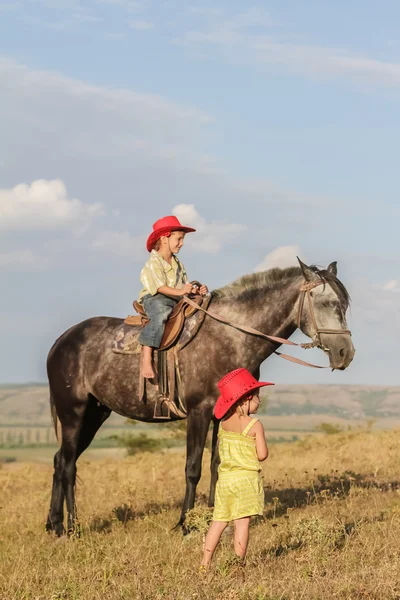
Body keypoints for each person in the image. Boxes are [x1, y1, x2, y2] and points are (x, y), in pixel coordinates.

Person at [200, 368, 274, 571]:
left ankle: (205, 564)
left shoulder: (222, 424)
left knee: (218, 522)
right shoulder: (255, 424)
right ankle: (237, 566)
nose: (259, 401)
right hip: (246, 480)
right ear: (247, 399)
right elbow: (262, 454)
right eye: (257, 397)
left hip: (224, 481)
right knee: (241, 525)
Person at [138, 215, 208, 379]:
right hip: (155, 298)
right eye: (179, 239)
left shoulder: (178, 263)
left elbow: (183, 285)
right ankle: (146, 356)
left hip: (176, 299)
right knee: (160, 314)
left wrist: (195, 291)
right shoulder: (154, 262)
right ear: (164, 239)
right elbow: (159, 287)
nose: (182, 243)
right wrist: (181, 291)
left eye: (182, 239)